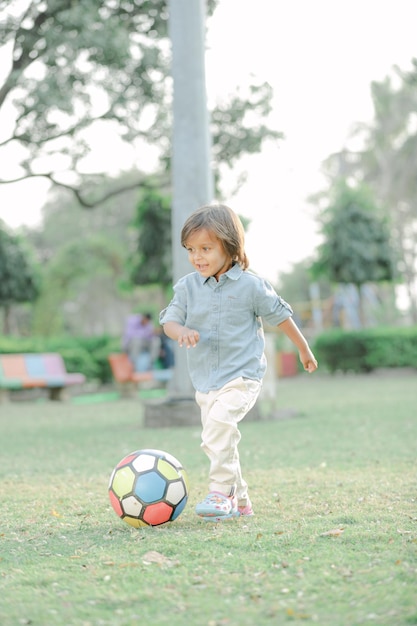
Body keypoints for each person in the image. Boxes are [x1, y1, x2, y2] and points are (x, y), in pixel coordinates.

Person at [159, 204, 318, 522]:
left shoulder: (251, 286)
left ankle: (219, 493)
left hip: (242, 376)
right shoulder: (188, 287)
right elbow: (169, 321)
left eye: (206, 248)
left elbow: (282, 317)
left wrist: (304, 349)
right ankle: (241, 501)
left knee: (218, 427)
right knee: (222, 438)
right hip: (206, 380)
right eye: (191, 249)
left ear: (229, 246)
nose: (197, 257)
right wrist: (182, 331)